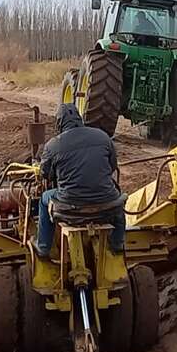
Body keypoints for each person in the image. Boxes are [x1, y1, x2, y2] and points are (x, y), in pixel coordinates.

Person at [35, 104, 125, 257]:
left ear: (59, 123)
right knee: (118, 200)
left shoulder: (53, 145)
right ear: (80, 119)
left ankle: (43, 247)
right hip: (107, 205)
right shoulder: (103, 136)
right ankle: (117, 244)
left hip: (70, 206)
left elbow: (45, 174)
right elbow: (112, 166)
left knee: (44, 199)